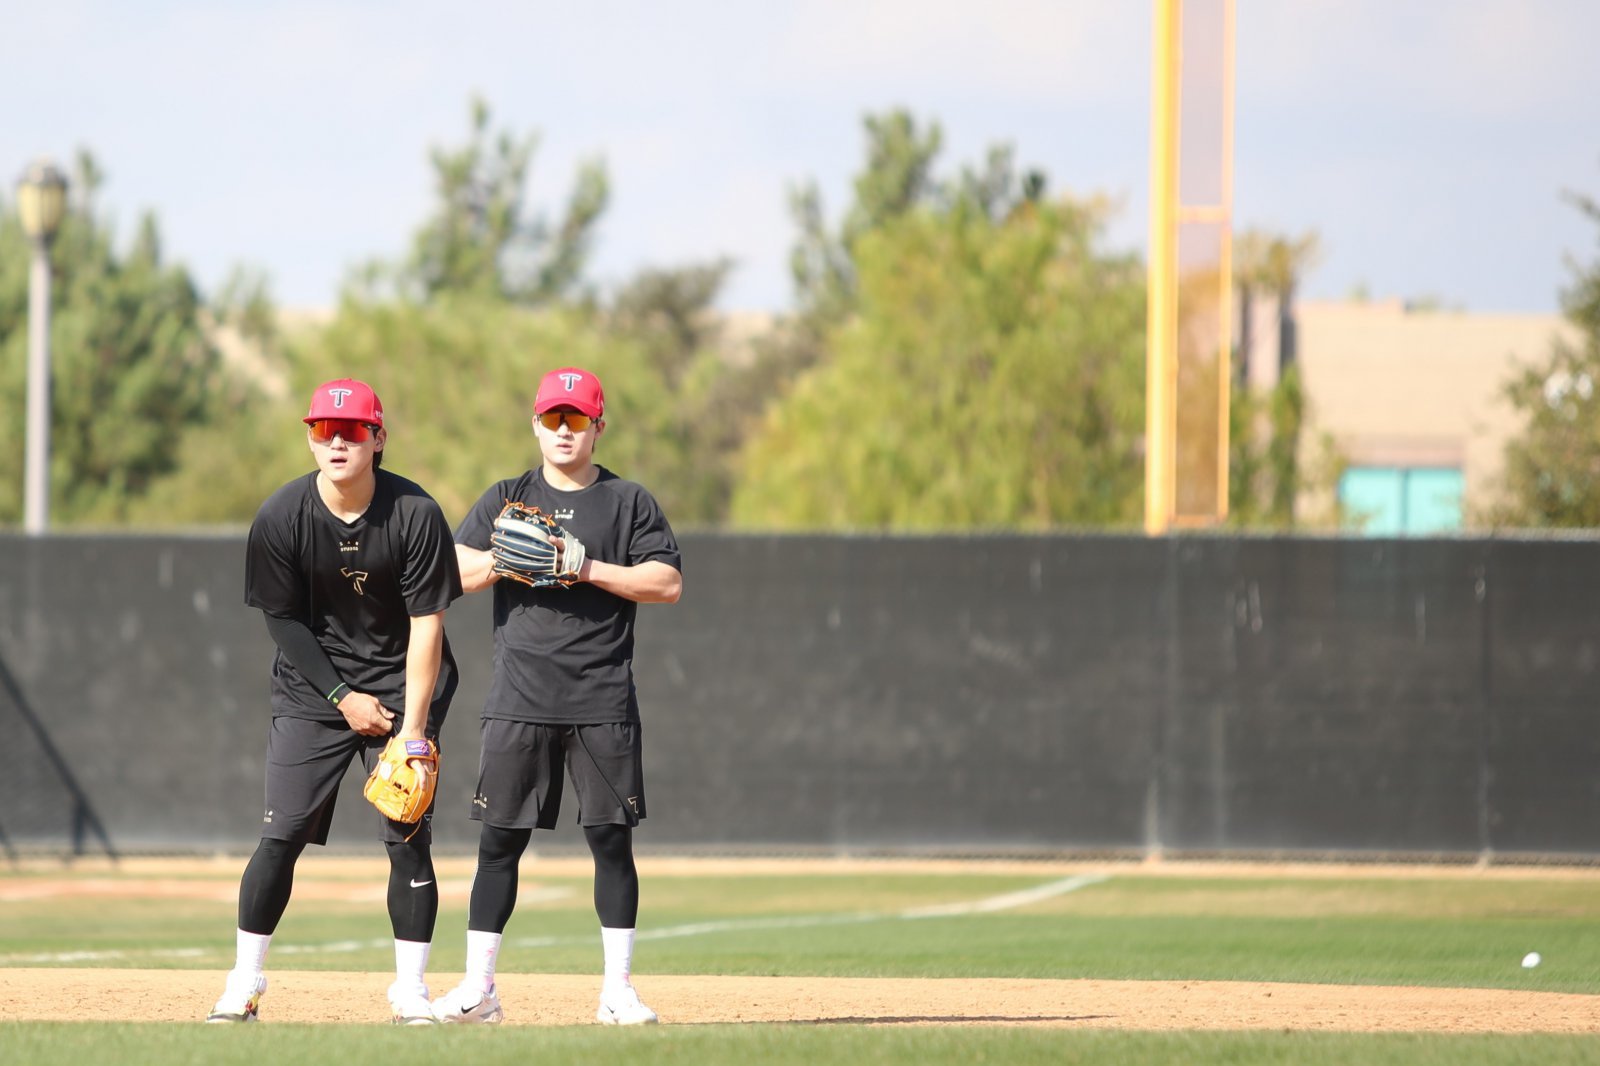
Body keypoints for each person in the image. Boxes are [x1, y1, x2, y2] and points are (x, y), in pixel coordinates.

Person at [206, 378, 464, 1026]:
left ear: (378, 439)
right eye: (324, 429)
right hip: (314, 692)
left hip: (403, 686)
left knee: (406, 835)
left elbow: (428, 625)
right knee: (280, 835)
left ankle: (410, 991)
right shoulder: (282, 516)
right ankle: (244, 982)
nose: (338, 440)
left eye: (352, 430)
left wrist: (411, 732)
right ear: (310, 438)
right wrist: (342, 696)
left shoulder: (414, 514)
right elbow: (284, 622)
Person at [432, 366, 682, 1026]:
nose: (563, 429)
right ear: (535, 425)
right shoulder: (508, 496)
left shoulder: (628, 503)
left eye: (576, 418)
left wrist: (585, 567)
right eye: (552, 418)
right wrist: (507, 560)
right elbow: (451, 570)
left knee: (609, 839)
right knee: (498, 844)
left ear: (598, 427)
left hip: (600, 696)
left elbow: (667, 582)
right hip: (519, 697)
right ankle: (480, 989)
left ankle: (616, 992)